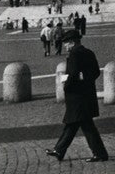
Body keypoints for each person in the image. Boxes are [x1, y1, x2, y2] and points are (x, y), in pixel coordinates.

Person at [46, 30, 108, 162]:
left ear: (72, 42)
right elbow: (96, 72)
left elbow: (73, 75)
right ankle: (60, 150)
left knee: (77, 124)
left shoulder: (74, 54)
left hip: (76, 97)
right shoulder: (89, 53)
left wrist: (66, 85)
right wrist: (85, 80)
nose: (65, 46)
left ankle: (100, 153)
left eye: (66, 44)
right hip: (87, 94)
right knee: (78, 124)